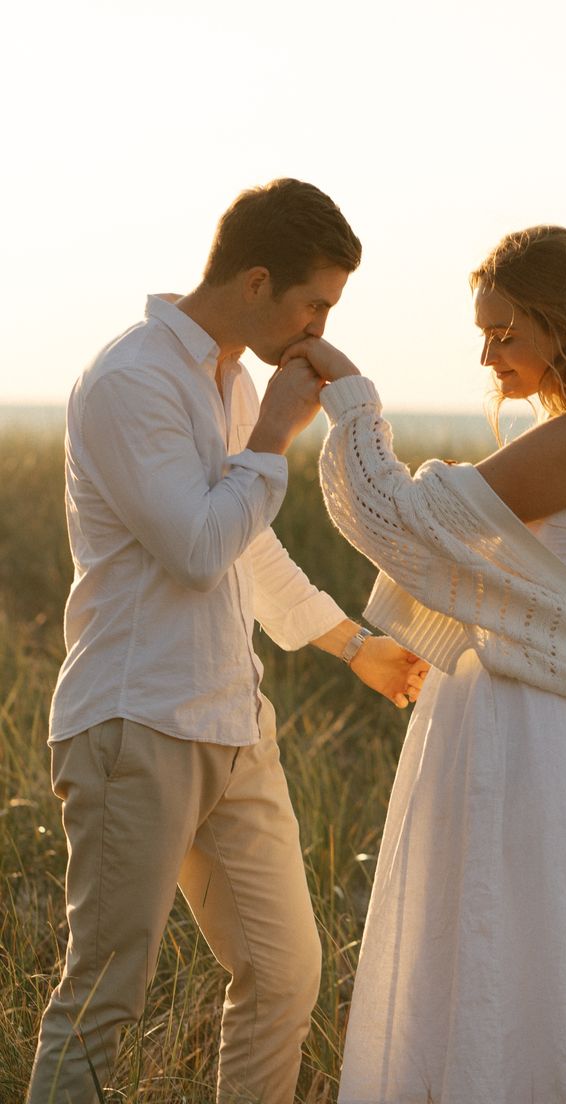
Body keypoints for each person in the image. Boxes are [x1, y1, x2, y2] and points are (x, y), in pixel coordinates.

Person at [27, 178, 427, 1104]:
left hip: (235, 726)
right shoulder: (133, 380)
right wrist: (277, 433)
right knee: (102, 998)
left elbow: (250, 544)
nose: (322, 325)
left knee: (286, 975)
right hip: (137, 724)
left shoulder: (236, 379)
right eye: (316, 303)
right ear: (257, 281)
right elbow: (202, 549)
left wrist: (350, 643)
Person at [279, 225, 566, 1103]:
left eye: (505, 332)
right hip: (537, 725)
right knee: (516, 944)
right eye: (483, 333)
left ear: (560, 327)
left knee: (506, 943)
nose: (489, 352)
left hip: (526, 730)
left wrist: (352, 402)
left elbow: (403, 519)